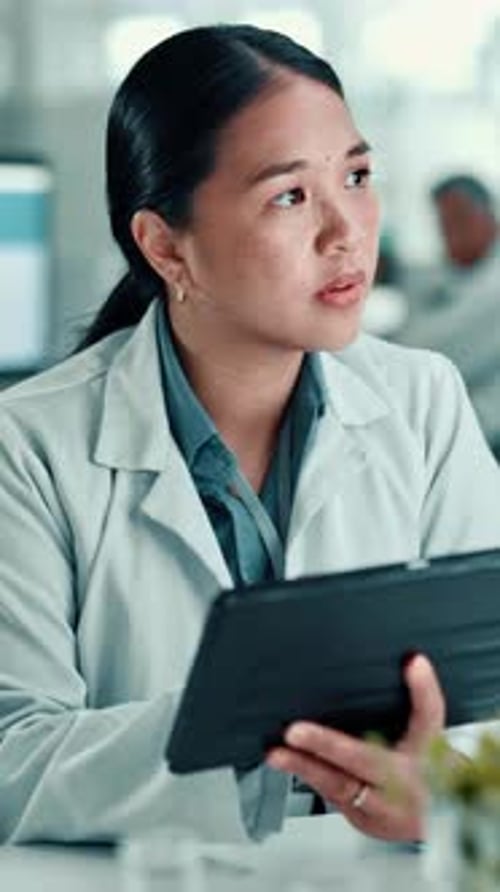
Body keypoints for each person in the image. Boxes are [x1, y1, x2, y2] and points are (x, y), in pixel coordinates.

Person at [0, 24, 499, 847]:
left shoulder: (423, 402)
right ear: (166, 246)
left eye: (358, 176)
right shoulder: (30, 446)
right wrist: (272, 728)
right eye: (290, 196)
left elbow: (488, 698)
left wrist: (439, 790)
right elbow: (13, 756)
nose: (348, 232)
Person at [400, 174, 500, 457]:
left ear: (487, 215)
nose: (448, 232)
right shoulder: (445, 273)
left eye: (459, 220)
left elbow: (434, 349)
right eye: (442, 223)